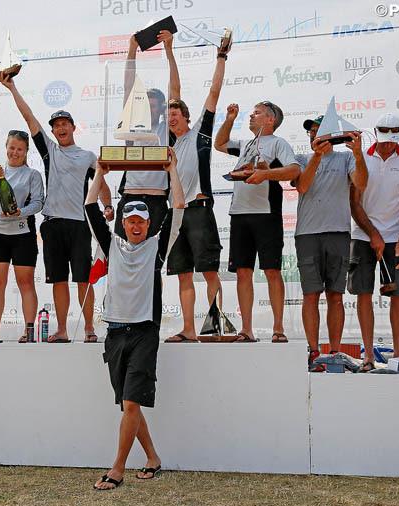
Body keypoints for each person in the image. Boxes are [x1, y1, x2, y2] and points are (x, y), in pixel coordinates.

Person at [84, 149, 185, 490]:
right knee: (130, 404)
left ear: (149, 224)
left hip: (144, 332)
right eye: (131, 220)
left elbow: (179, 207)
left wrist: (171, 169)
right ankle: (153, 459)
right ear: (124, 223)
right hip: (114, 333)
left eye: (142, 220)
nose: (137, 224)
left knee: (130, 402)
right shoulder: (111, 246)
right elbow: (89, 208)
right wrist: (100, 171)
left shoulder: (157, 248)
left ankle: (117, 469)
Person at [0, 72, 112, 343]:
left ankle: (88, 328)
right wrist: (12, 88)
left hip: (79, 224)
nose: (60, 128)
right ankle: (61, 329)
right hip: (52, 224)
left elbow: (102, 181)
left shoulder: (87, 156)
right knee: (59, 280)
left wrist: (108, 205)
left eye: (65, 124)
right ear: (52, 131)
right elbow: (29, 118)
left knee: (83, 279)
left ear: (73, 127)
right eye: (56, 125)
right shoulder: (50, 150)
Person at [214, 101, 300, 342]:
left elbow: (293, 171)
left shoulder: (278, 143)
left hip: (266, 212)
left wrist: (266, 174)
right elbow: (219, 144)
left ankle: (278, 328)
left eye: (257, 113)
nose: (251, 116)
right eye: (251, 113)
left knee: (272, 269)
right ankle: (247, 329)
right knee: (243, 271)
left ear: (270, 119)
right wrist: (230, 119)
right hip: (239, 213)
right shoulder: (246, 143)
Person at [162, 34, 227, 343]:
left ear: (186, 116)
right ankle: (188, 329)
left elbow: (214, 92)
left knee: (209, 272)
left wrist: (221, 58)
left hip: (200, 210)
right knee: (183, 275)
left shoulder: (200, 133)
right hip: (175, 215)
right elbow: (172, 90)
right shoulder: (167, 144)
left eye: (175, 113)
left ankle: (216, 326)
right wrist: (168, 51)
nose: (171, 116)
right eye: (168, 114)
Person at [294, 115, 367, 363]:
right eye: (311, 132)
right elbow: (302, 186)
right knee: (311, 294)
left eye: (318, 131)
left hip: (338, 232)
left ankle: (334, 352)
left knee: (335, 295)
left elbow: (361, 183)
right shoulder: (301, 158)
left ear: (331, 135)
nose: (314, 135)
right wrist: (316, 156)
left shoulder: (346, 158)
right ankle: (313, 350)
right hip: (307, 234)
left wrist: (358, 154)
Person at [349, 113, 399, 371]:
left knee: (398, 295)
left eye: (394, 137)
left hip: (394, 237)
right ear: (377, 133)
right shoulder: (361, 157)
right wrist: (373, 234)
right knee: (364, 293)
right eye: (385, 137)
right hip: (362, 234)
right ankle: (368, 355)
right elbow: (354, 203)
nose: (389, 143)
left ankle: (398, 354)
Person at [113, 30, 178, 238]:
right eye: (146, 104)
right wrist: (132, 49)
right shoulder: (132, 126)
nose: (150, 108)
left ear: (161, 109)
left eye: (154, 105)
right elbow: (128, 87)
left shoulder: (166, 129)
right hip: (130, 194)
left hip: (157, 198)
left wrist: (169, 51)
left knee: (153, 260)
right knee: (121, 254)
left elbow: (175, 92)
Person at [0, 130, 44, 343]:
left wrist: (21, 212)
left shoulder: (32, 175)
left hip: (22, 233)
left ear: (26, 152)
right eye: (12, 148)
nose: (15, 152)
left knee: (25, 282)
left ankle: (28, 331)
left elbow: (38, 203)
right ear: (6, 147)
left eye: (20, 149)